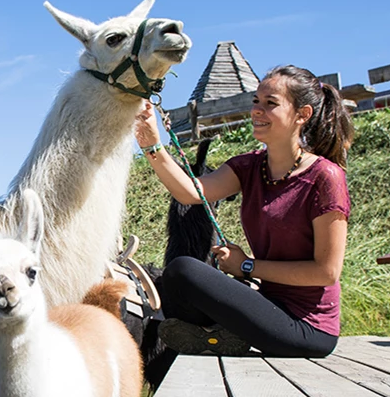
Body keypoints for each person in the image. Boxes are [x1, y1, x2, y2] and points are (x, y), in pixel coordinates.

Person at [133, 65, 354, 357]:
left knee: (184, 270)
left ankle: (216, 334)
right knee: (177, 276)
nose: (257, 111)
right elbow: (190, 191)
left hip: (308, 328)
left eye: (270, 103)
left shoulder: (326, 177)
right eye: (256, 102)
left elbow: (326, 272)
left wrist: (246, 266)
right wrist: (152, 144)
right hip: (267, 306)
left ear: (303, 115)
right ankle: (219, 334)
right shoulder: (250, 167)